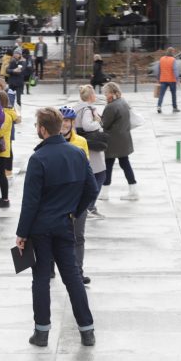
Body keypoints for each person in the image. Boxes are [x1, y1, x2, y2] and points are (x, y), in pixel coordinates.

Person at [16, 107, 98, 348]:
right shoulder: (77, 153)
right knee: (72, 277)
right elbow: (91, 190)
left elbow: (30, 202)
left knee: (40, 278)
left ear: (42, 129)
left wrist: (21, 233)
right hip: (65, 224)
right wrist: (74, 210)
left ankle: (41, 332)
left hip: (40, 229)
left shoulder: (38, 158)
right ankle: (87, 330)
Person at [59, 106, 91, 284]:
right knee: (54, 235)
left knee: (78, 236)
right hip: (58, 198)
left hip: (77, 197)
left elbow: (86, 168)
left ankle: (78, 271)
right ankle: (49, 267)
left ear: (72, 123)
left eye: (67, 121)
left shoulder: (80, 142)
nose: (64, 124)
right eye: (62, 120)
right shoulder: (51, 141)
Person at [100, 82, 139, 201]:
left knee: (108, 165)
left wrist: (97, 118)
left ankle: (105, 193)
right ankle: (133, 190)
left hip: (112, 141)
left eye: (106, 93)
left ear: (111, 93)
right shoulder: (123, 102)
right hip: (124, 139)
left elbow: (104, 124)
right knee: (125, 164)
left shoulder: (111, 106)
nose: (105, 96)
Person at [73, 85, 107, 218]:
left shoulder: (77, 107)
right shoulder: (87, 109)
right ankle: (89, 206)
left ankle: (88, 206)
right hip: (91, 144)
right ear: (91, 96)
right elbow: (87, 126)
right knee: (100, 175)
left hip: (80, 142)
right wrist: (98, 123)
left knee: (92, 175)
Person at [0, 90, 21, 208]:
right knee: (0, 173)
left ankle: (5, 199)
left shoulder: (3, 114)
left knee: (1, 174)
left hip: (0, 148)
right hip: (3, 147)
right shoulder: (8, 113)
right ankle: (4, 198)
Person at [156, 47, 179, 114]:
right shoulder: (173, 59)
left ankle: (159, 106)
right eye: (173, 51)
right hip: (172, 80)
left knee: (161, 94)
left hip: (163, 79)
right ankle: (174, 108)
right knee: (173, 94)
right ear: (172, 52)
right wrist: (177, 79)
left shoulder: (161, 59)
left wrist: (158, 79)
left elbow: (158, 70)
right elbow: (175, 70)